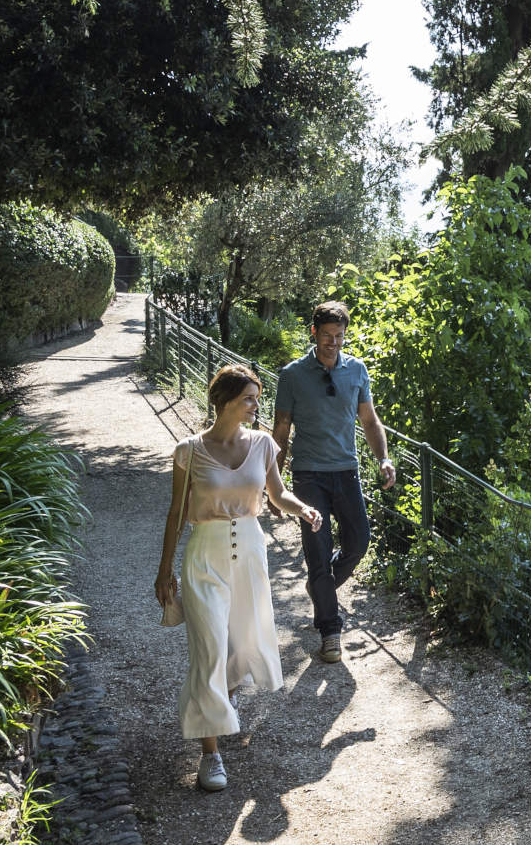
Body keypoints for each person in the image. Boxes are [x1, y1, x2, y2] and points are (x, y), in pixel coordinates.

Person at [155, 363, 322, 793]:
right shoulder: (188, 450)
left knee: (242, 645)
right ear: (226, 401)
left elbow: (277, 493)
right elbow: (176, 512)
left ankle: (220, 699)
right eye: (249, 397)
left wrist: (301, 508)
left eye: (256, 397)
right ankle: (210, 754)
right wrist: (164, 569)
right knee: (209, 649)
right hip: (203, 555)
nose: (255, 404)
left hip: (249, 551)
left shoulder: (264, 444)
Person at [272, 300, 393, 663]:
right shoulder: (292, 375)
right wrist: (274, 486)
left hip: (346, 471)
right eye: (326, 336)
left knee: (359, 542)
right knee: (318, 552)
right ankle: (330, 630)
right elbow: (280, 432)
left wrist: (384, 458)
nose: (333, 343)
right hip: (308, 475)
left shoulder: (357, 371)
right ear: (314, 333)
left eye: (339, 337)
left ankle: (319, 586)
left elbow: (370, 422)